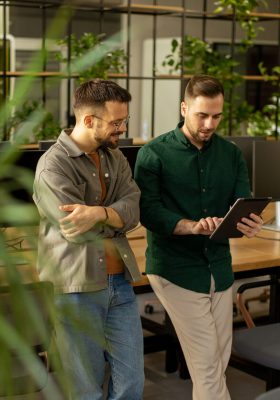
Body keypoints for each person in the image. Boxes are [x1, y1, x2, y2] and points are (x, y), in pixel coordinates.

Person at [134, 74, 263, 400]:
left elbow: (242, 200)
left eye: (216, 116)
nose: (209, 123)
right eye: (201, 115)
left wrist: (250, 222)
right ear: (184, 108)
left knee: (218, 358)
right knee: (207, 364)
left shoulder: (230, 154)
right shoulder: (154, 154)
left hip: (218, 266)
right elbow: (147, 212)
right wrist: (191, 225)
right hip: (174, 268)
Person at [33, 79, 144, 400]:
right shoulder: (52, 166)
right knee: (86, 389)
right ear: (88, 120)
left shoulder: (115, 157)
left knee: (131, 384)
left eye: (125, 121)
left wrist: (97, 214)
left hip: (120, 282)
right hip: (75, 289)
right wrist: (115, 216)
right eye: (116, 122)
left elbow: (134, 208)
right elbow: (73, 228)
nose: (121, 129)